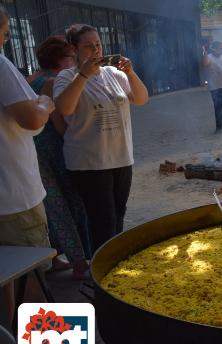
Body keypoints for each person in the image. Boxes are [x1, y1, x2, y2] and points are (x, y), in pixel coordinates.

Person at [53, 24, 149, 254]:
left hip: (121, 157)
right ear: (74, 49)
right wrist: (84, 75)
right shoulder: (66, 77)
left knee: (118, 215)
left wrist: (131, 73)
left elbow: (141, 99)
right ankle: (101, 274)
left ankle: (114, 265)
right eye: (88, 45)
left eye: (98, 44)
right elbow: (64, 108)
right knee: (102, 222)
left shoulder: (113, 74)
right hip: (89, 162)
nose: (95, 50)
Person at [0, 4, 55, 323]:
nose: (6, 41)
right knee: (32, 285)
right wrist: (45, 103)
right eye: (5, 33)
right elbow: (32, 118)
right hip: (15, 198)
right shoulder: (1, 65)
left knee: (7, 282)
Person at [28, 35, 91, 279]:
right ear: (59, 59)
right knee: (67, 207)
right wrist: (79, 144)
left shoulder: (30, 78)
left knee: (49, 208)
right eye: (70, 57)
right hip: (53, 153)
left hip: (33, 153)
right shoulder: (52, 82)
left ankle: (54, 259)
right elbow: (59, 124)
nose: (74, 61)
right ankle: (79, 264)